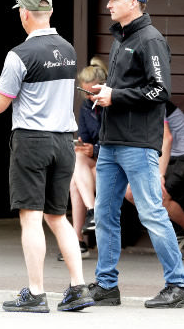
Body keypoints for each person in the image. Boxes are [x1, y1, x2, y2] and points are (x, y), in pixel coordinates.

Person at [0, 0, 94, 313]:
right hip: (63, 142)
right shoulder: (69, 50)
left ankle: (36, 292)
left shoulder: (19, 54)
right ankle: (79, 288)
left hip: (32, 142)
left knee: (30, 219)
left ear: (25, 14)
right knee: (58, 218)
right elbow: (27, 92)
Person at [88, 0, 184, 308]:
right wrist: (105, 93)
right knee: (104, 213)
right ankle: (106, 285)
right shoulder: (121, 38)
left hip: (137, 145)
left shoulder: (151, 40)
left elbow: (160, 92)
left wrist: (114, 96)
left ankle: (179, 286)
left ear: (133, 3)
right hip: (111, 143)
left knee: (151, 212)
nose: (108, 4)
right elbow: (130, 87)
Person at [125, 101, 184, 260]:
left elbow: (166, 138)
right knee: (130, 192)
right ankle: (179, 231)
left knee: (158, 194)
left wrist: (158, 175)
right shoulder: (123, 104)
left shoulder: (153, 100)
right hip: (168, 159)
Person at [57, 57, 108, 261]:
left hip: (114, 161)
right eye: (85, 93)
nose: (89, 97)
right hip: (96, 160)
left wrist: (94, 149)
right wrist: (84, 146)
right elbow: (85, 137)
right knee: (76, 162)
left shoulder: (111, 103)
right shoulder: (88, 107)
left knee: (75, 181)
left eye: (93, 93)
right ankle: (92, 212)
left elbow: (116, 141)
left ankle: (79, 240)